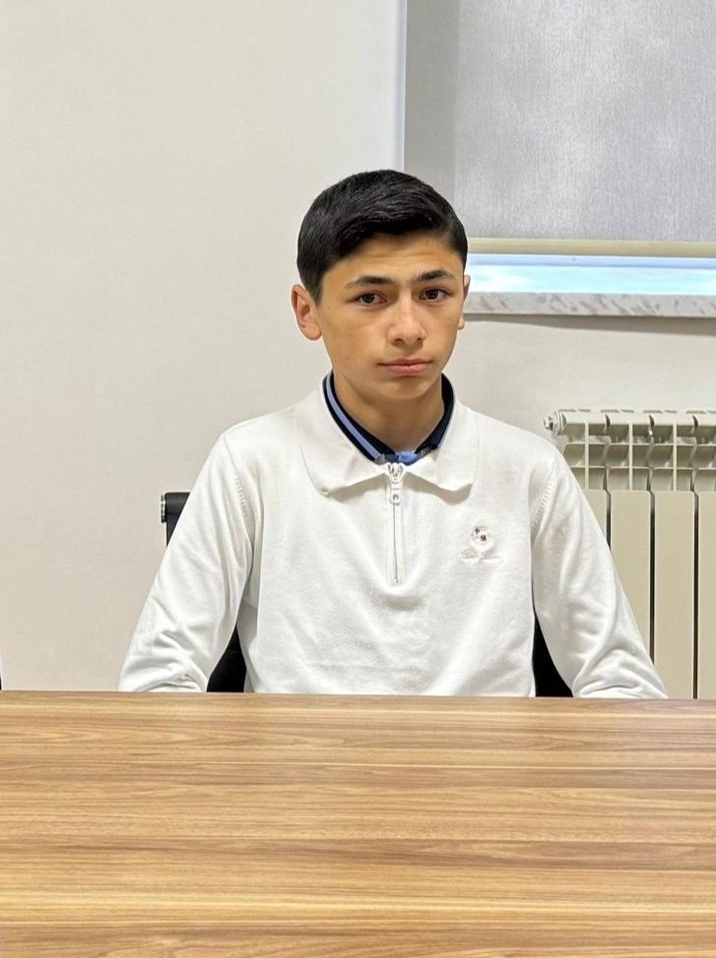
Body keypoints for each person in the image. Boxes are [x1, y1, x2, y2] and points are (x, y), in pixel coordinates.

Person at [120, 169, 661, 697]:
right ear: (308, 312)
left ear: (463, 298)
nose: (408, 329)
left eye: (433, 293)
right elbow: (158, 680)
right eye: (370, 299)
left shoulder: (528, 472)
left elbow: (621, 683)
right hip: (303, 759)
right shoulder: (250, 465)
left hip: (485, 760)